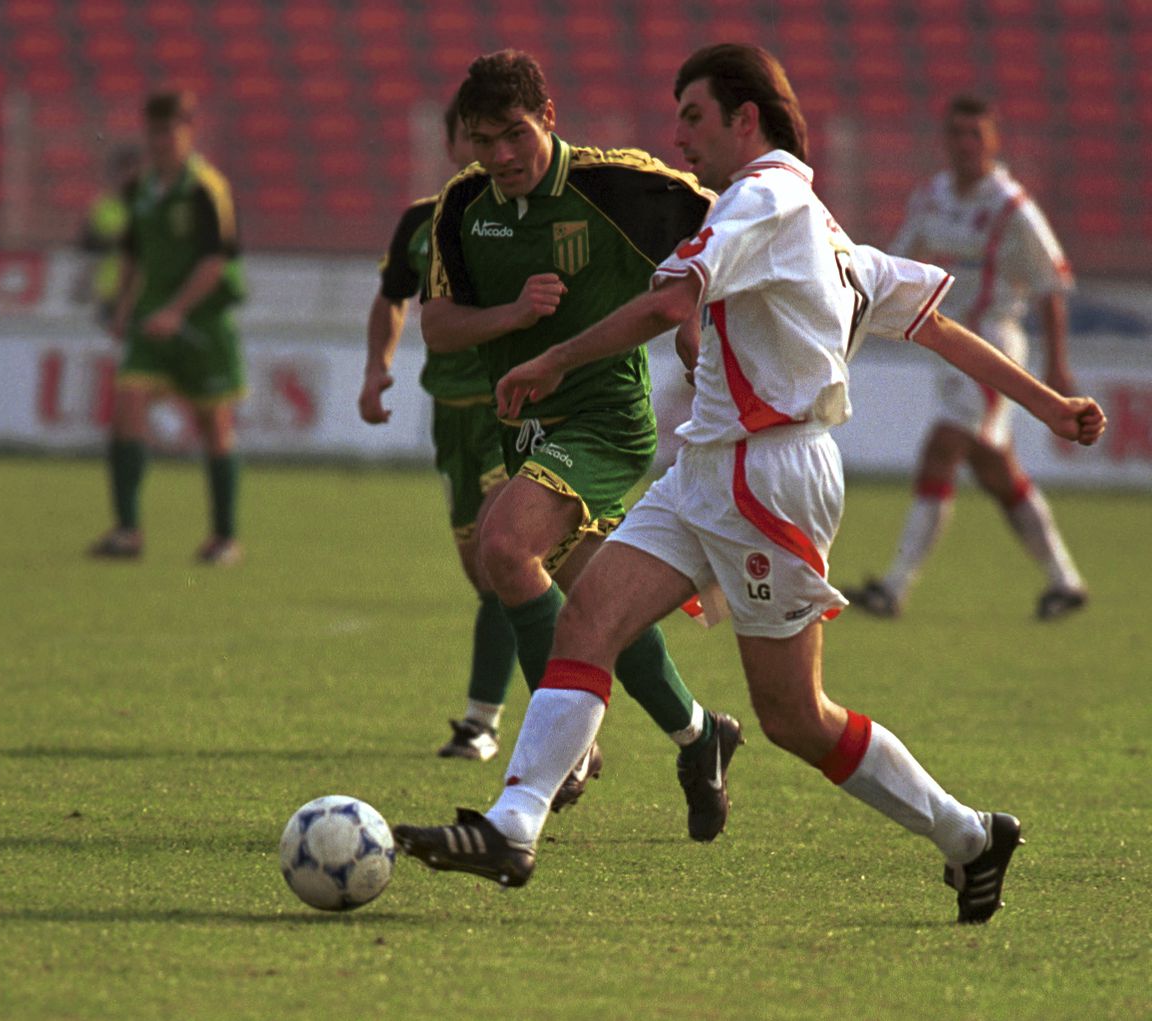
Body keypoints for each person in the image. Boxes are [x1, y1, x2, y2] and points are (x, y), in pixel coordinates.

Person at [393, 44, 1107, 924]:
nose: (679, 135)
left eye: (693, 115)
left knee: (795, 715)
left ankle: (969, 834)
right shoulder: (817, 225)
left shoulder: (762, 199)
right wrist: (1049, 406)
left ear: (746, 118)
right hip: (708, 463)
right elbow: (938, 326)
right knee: (588, 620)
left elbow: (669, 301)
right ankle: (514, 824)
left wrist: (554, 358)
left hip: (769, 476)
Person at [417, 49, 745, 838]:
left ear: (548, 118)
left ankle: (561, 751)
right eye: (483, 140)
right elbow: (437, 325)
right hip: (525, 430)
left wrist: (701, 319)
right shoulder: (462, 204)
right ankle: (701, 735)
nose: (500, 156)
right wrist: (512, 315)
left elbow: (738, 226)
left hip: (605, 419)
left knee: (504, 544)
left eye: (515, 134)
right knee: (600, 605)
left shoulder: (619, 186)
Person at [844, 95, 1087, 621]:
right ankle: (1065, 581)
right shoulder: (932, 197)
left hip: (993, 347)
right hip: (949, 346)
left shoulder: (1012, 207)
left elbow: (1051, 286)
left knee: (941, 448)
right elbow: (899, 261)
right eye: (956, 133)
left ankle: (894, 588)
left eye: (975, 134)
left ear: (993, 142)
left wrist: (1057, 367)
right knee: (996, 471)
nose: (965, 144)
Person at [358, 102, 518, 761]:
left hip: (511, 409)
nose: (484, 148)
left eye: (496, 137)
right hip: (450, 415)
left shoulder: (520, 217)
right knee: (486, 577)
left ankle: (487, 722)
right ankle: (563, 693)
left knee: (507, 560)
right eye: (472, 135)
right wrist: (377, 368)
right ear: (452, 142)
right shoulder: (421, 222)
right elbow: (392, 296)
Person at [88, 88, 248, 566]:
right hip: (151, 321)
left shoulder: (206, 188)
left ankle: (224, 538)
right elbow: (133, 254)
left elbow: (216, 263)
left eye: (169, 131)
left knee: (213, 425)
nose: (161, 140)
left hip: (202, 323)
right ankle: (128, 531)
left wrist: (176, 311)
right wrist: (124, 307)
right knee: (127, 404)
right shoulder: (139, 189)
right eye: (154, 131)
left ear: (189, 131)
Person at [75, 144, 142, 326]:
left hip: (143, 290)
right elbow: (87, 244)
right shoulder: (103, 206)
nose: (129, 177)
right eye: (124, 171)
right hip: (110, 289)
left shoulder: (152, 206)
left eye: (134, 171)